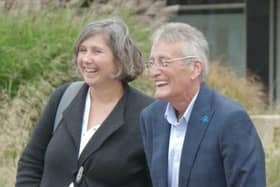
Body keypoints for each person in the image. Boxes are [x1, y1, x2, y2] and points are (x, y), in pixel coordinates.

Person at [16, 18, 153, 187]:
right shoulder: (64, 97)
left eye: (97, 51)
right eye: (83, 50)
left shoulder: (147, 114)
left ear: (120, 58)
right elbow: (31, 163)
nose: (86, 59)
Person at [140, 22, 266, 187]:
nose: (154, 72)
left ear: (194, 68)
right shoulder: (151, 117)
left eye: (164, 62)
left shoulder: (230, 119)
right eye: (152, 63)